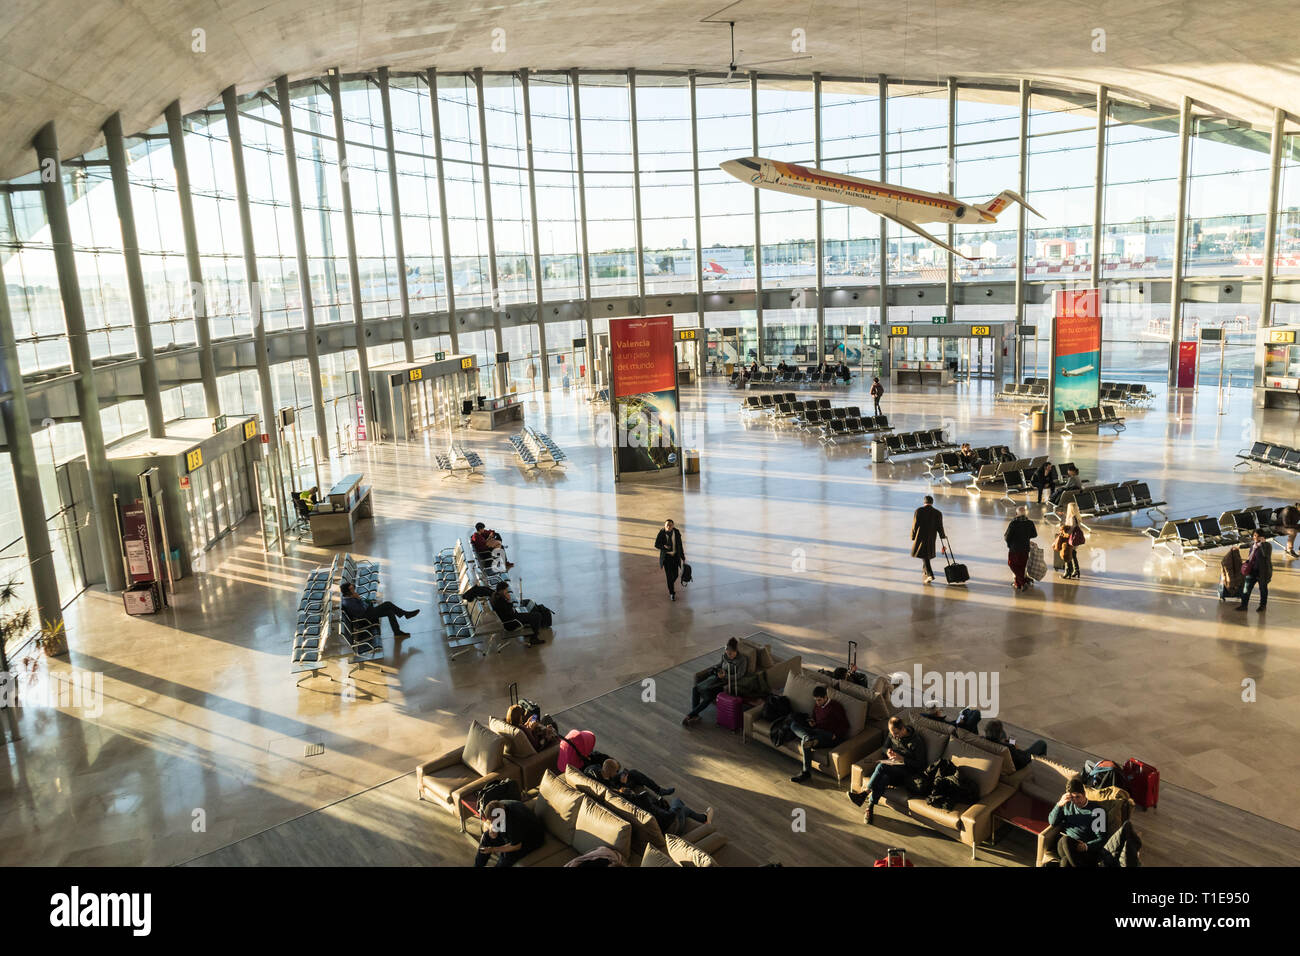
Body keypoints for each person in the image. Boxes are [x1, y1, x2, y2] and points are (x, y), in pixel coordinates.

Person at [1048, 775, 1142, 867]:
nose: (1075, 801)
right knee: (1063, 841)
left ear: (1084, 794)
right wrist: (1059, 804)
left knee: (1064, 861)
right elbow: (1052, 822)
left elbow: (1102, 839)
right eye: (1072, 798)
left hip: (1085, 851)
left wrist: (1086, 846)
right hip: (1066, 846)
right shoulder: (1067, 805)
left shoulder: (1096, 811)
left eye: (1078, 797)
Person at [849, 717, 926, 824]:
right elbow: (884, 748)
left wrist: (903, 759)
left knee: (881, 766)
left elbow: (921, 765)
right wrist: (888, 751)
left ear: (903, 729)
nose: (894, 736)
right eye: (892, 733)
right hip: (893, 769)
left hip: (907, 773)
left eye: (896, 734)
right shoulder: (892, 733)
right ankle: (869, 808)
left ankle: (864, 794)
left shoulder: (916, 741)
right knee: (883, 778)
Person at [789, 685, 850, 783]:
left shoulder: (836, 707)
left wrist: (836, 735)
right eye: (816, 700)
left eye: (819, 700)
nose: (817, 703)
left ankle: (806, 773)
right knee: (793, 725)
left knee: (811, 738)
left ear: (826, 697)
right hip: (816, 732)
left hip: (831, 737)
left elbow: (845, 725)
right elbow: (815, 720)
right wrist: (812, 722)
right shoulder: (817, 706)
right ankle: (808, 738)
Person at [682, 637, 748, 725]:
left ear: (736, 651)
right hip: (716, 678)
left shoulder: (742, 660)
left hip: (725, 683)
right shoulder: (725, 655)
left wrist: (726, 676)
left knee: (708, 697)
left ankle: (690, 715)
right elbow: (720, 664)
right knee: (695, 688)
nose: (728, 655)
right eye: (727, 652)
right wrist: (717, 669)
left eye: (731, 654)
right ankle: (695, 715)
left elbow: (740, 675)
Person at [474, 798, 545, 867]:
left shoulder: (513, 821)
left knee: (507, 855)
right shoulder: (499, 805)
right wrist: (491, 828)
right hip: (514, 833)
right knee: (486, 837)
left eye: (493, 821)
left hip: (531, 839)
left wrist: (493, 849)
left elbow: (516, 846)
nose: (492, 822)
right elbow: (489, 822)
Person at [340, 581, 419, 638]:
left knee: (390, 612)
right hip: (366, 615)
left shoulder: (349, 597)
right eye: (351, 589)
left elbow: (364, 606)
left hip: (368, 611)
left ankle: (397, 632)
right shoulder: (349, 602)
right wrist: (359, 599)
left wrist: (361, 600)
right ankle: (406, 614)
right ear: (347, 592)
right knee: (388, 604)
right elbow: (362, 611)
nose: (353, 589)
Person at [490, 580, 546, 647]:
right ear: (502, 590)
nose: (507, 591)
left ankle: (530, 633)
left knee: (528, 613)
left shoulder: (494, 596)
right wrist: (508, 600)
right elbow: (509, 611)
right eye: (506, 590)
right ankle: (534, 638)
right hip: (511, 622)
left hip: (508, 618)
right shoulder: (500, 601)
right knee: (537, 615)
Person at [982, 718, 1046, 771]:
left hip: (1002, 746)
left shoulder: (983, 740)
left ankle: (1008, 739)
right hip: (1020, 760)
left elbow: (1002, 738)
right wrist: (1016, 748)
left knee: (1006, 735)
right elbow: (1021, 760)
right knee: (1041, 743)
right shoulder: (1008, 747)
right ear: (999, 735)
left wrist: (1008, 742)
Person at [911, 495, 945, 584]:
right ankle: (925, 571)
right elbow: (940, 526)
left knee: (924, 555)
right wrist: (942, 535)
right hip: (931, 536)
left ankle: (930, 575)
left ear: (924, 502)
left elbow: (915, 525)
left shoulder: (919, 511)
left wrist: (913, 536)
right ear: (932, 503)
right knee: (926, 553)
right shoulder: (938, 513)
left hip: (921, 536)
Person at [1237, 528, 1273, 612]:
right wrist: (1238, 547)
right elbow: (1247, 544)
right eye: (1254, 535)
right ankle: (1244, 605)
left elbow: (1265, 556)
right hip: (1252, 571)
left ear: (1262, 537)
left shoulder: (1267, 546)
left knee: (1263, 589)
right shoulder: (1253, 544)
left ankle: (1262, 605)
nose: (1255, 537)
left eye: (1257, 536)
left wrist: (1262, 544)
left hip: (1262, 572)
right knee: (1246, 589)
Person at [1004, 505, 1038, 591]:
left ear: (1016, 514)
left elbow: (1006, 537)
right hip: (1025, 548)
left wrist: (1010, 544)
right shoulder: (1030, 523)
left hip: (1014, 549)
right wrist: (1026, 537)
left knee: (1012, 564)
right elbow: (1034, 534)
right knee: (1021, 566)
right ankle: (1018, 584)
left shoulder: (1013, 523)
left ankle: (1022, 582)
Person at [654, 518, 686, 601]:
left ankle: (670, 584)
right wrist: (663, 546)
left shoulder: (677, 533)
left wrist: (682, 556)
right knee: (669, 576)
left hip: (675, 556)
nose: (668, 526)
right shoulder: (661, 533)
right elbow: (656, 544)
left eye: (670, 525)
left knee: (675, 575)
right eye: (667, 525)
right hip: (666, 558)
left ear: (673, 526)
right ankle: (672, 593)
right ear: (664, 526)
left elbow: (680, 545)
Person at [1055, 502, 1085, 580]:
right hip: (1076, 538)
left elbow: (1072, 527)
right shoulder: (1077, 516)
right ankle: (1076, 570)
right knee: (1073, 554)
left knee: (1067, 553)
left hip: (1071, 538)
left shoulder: (1071, 517)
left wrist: (1066, 534)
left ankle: (1068, 571)